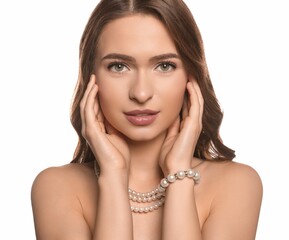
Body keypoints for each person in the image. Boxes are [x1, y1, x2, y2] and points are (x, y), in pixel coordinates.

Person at [31, 0, 263, 239]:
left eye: (164, 66)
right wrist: (113, 175)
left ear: (191, 77)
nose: (141, 93)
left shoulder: (236, 184)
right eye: (119, 66)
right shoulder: (56, 187)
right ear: (91, 77)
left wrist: (179, 174)